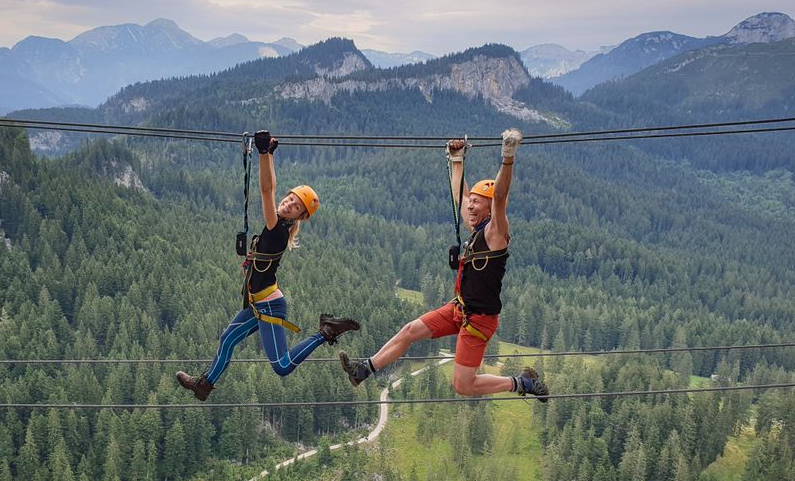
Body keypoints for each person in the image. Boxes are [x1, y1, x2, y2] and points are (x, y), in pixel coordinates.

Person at [339, 129, 548, 401]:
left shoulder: (496, 232)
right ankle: (364, 370)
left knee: (463, 385)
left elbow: (500, 196)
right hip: (460, 308)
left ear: (489, 208)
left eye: (477, 202)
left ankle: (523, 383)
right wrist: (456, 159)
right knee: (410, 331)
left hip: (479, 320)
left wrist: (508, 157)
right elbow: (460, 196)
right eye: (472, 201)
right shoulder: (476, 228)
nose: (470, 206)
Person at [176, 130, 360, 401]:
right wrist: (270, 155)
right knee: (228, 339)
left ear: (300, 217)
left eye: (295, 206)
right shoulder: (279, 222)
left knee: (282, 366)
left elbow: (266, 191)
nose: (288, 204)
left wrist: (263, 154)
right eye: (290, 199)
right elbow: (272, 188)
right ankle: (205, 384)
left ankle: (327, 331)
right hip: (259, 302)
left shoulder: (277, 229)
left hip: (269, 306)